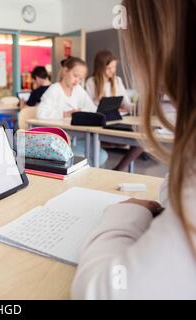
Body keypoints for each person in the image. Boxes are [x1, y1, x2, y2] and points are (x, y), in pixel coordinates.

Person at [72, 0, 196, 299]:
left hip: (117, 129)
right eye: (112, 67)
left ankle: (120, 168)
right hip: (94, 129)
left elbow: (105, 293)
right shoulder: (89, 84)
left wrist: (124, 214)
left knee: (138, 147)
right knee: (133, 147)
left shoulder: (118, 82)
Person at [37, 57, 108, 165]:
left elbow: (92, 108)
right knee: (90, 157)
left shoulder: (78, 90)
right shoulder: (54, 89)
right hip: (57, 141)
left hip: (74, 139)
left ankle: (85, 176)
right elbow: (41, 113)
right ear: (65, 71)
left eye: (81, 79)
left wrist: (81, 112)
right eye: (75, 76)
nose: (77, 81)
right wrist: (64, 114)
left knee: (102, 155)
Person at [86, 49, 144, 172]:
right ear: (100, 67)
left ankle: (119, 168)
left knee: (142, 140)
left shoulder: (117, 80)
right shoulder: (91, 82)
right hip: (101, 124)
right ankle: (104, 171)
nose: (112, 71)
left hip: (117, 120)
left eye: (114, 67)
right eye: (109, 68)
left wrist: (137, 108)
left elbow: (126, 103)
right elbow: (89, 107)